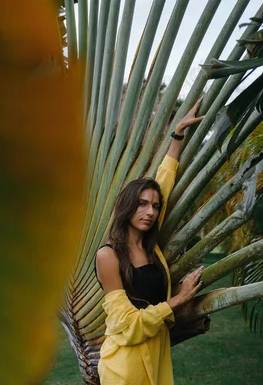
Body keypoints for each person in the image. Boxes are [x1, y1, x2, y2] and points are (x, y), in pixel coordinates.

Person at [95, 98, 204, 385]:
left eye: (155, 207)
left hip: (156, 356)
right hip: (125, 366)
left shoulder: (149, 248)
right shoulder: (109, 256)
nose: (150, 211)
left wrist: (177, 134)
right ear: (128, 207)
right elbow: (128, 325)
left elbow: (164, 181)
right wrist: (179, 300)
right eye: (142, 204)